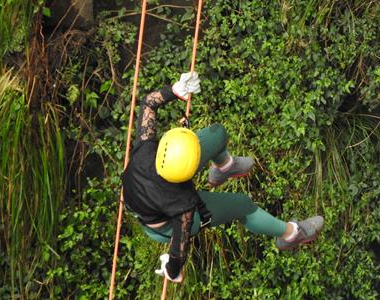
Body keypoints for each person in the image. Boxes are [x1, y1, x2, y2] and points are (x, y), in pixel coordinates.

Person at [122, 71, 324, 283]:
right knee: (243, 205)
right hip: (164, 227)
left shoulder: (144, 151)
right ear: (189, 174)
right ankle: (291, 234)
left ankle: (225, 166)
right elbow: (178, 254)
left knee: (216, 134)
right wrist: (171, 270)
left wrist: (175, 91)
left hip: (152, 193)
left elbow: (148, 103)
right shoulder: (183, 205)